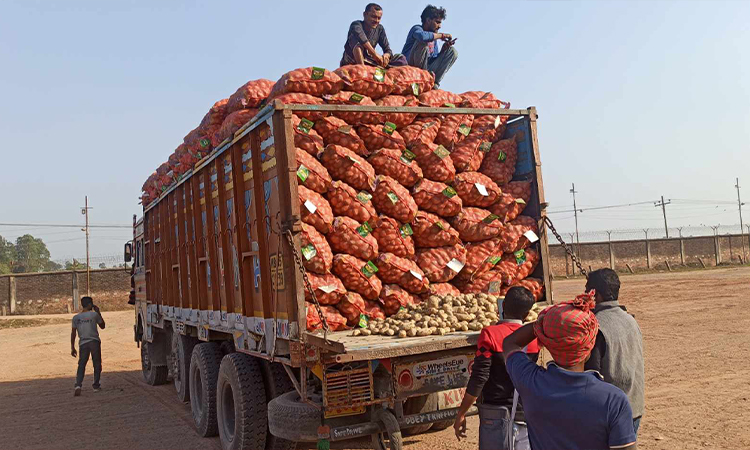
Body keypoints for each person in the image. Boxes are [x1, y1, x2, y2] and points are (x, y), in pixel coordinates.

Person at [502, 292, 638, 450]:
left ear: (548, 344)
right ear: (589, 345)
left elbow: (510, 343)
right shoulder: (613, 400)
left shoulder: (531, 383)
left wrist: (540, 325)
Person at [454, 287, 538, 450]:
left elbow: (479, 377)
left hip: (495, 417)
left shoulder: (490, 334)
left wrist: (461, 413)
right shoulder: (533, 339)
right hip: (525, 416)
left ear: (502, 306)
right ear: (527, 314)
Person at [585, 268, 645, 436]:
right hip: (634, 407)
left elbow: (591, 376)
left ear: (595, 295)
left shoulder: (596, 326)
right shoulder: (630, 320)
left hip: (610, 414)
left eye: (586, 291)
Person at [401, 5, 458, 88]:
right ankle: (423, 78)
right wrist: (442, 35)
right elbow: (422, 37)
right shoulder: (416, 29)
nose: (440, 26)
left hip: (426, 70)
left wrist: (442, 51)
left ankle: (434, 83)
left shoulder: (433, 38)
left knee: (452, 52)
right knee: (423, 43)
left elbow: (431, 60)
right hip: (411, 68)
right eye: (437, 22)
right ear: (428, 20)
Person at [71, 296, 105, 396]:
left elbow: (73, 333)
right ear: (90, 304)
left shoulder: (76, 318)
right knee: (97, 364)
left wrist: (72, 347)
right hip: (94, 341)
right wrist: (98, 312)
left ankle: (78, 385)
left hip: (83, 343)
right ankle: (96, 385)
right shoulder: (94, 315)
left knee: (82, 364)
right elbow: (102, 326)